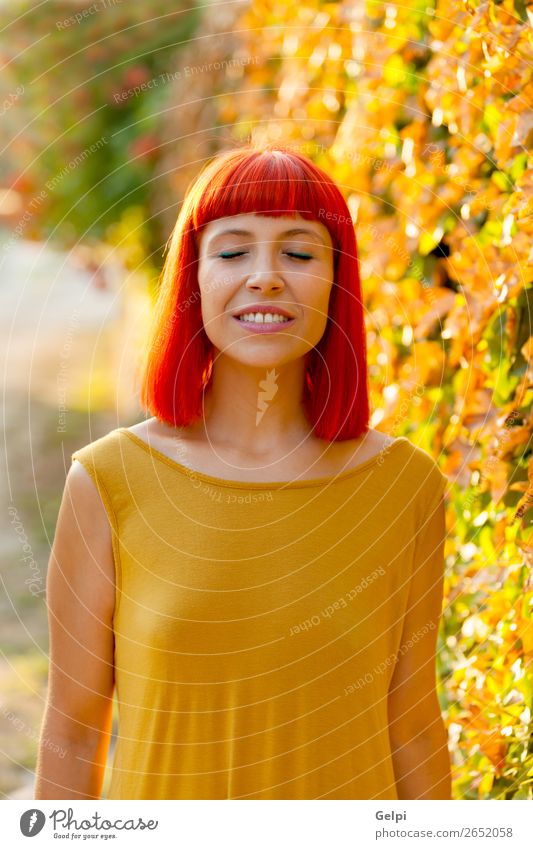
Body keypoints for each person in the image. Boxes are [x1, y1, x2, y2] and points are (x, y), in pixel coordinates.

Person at [35, 143, 452, 801]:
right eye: (232, 251)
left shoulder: (406, 488)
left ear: (336, 281)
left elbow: (413, 730)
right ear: (192, 279)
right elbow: (75, 732)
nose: (264, 276)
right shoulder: (108, 482)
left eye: (298, 252)